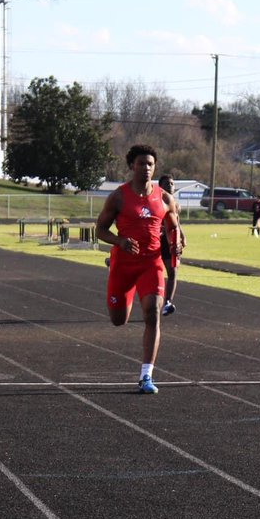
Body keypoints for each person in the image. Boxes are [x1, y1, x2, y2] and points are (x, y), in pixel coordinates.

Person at [95, 145, 182, 393]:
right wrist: (119, 241)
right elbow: (100, 230)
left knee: (153, 312)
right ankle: (122, 283)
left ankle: (146, 376)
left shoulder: (164, 198)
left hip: (150, 263)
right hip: (123, 264)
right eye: (141, 163)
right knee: (118, 320)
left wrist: (176, 242)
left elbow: (173, 226)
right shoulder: (118, 197)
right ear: (132, 166)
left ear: (155, 167)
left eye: (150, 164)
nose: (146, 168)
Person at [157, 173, 186, 316]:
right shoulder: (156, 201)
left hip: (170, 242)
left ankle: (167, 302)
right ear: (160, 187)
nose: (170, 186)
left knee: (173, 271)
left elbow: (176, 222)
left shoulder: (176, 204)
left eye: (172, 184)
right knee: (150, 272)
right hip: (156, 241)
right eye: (167, 183)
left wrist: (183, 237)